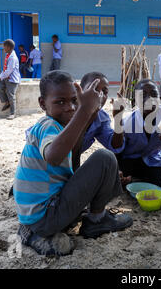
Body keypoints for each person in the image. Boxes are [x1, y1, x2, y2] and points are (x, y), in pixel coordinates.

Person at [13, 71, 133, 256]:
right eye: (60, 102)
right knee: (105, 158)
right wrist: (84, 110)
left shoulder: (74, 122)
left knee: (105, 161)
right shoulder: (48, 125)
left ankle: (37, 229)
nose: (69, 107)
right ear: (42, 103)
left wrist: (93, 115)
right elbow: (53, 156)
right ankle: (96, 221)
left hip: (42, 210)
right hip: (45, 215)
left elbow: (77, 163)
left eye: (74, 101)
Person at [115, 79, 161, 190]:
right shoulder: (129, 122)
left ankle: (135, 180)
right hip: (128, 161)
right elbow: (117, 150)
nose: (149, 99)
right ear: (135, 102)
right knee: (118, 182)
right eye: (143, 95)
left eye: (154, 94)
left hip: (152, 160)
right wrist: (118, 170)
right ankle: (131, 179)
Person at [76, 72, 130, 185]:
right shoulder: (68, 111)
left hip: (73, 163)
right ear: (80, 91)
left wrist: (118, 118)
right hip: (51, 167)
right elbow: (69, 149)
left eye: (105, 92)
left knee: (107, 160)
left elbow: (116, 145)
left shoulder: (101, 117)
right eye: (94, 89)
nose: (100, 95)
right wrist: (88, 116)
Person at [0, 39, 21, 120]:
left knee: (11, 95)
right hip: (6, 78)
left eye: (4, 47)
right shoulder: (8, 55)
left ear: (9, 47)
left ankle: (13, 113)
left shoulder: (13, 57)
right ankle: (6, 102)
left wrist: (0, 77)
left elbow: (9, 70)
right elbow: (5, 69)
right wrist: (0, 77)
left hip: (12, 79)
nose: (3, 48)